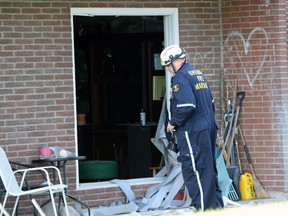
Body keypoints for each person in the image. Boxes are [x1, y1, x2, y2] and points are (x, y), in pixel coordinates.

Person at [160, 45, 224, 211]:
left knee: (195, 170)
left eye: (168, 64)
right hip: (207, 127)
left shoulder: (180, 78)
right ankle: (215, 209)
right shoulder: (198, 74)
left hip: (193, 132)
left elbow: (186, 105)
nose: (167, 69)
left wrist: (172, 123)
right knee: (209, 169)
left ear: (178, 60)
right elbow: (211, 103)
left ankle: (203, 209)